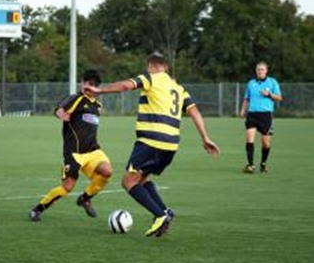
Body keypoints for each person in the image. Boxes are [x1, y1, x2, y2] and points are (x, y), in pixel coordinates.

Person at [84, 53, 220, 237]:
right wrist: (205, 137)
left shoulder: (150, 78)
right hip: (171, 145)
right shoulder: (179, 88)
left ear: (151, 66)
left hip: (151, 141)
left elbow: (125, 85)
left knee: (128, 181)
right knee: (141, 180)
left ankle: (159, 215)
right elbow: (194, 111)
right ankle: (165, 212)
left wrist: (100, 91)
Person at [30, 69, 112, 222]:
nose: (88, 86)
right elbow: (60, 109)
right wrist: (61, 114)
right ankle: (38, 209)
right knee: (67, 188)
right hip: (73, 152)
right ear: (82, 83)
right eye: (86, 83)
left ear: (96, 87)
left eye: (92, 84)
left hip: (93, 150)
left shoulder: (97, 106)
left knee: (107, 171)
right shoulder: (76, 98)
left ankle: (85, 198)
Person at [239, 62, 283, 173]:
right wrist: (243, 110)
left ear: (266, 71)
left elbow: (279, 98)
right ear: (256, 71)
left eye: (262, 69)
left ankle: (263, 164)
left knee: (266, 143)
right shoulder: (251, 83)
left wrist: (269, 94)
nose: (260, 71)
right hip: (252, 114)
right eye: (258, 69)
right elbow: (246, 98)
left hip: (266, 115)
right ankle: (250, 165)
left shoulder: (272, 82)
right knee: (249, 138)